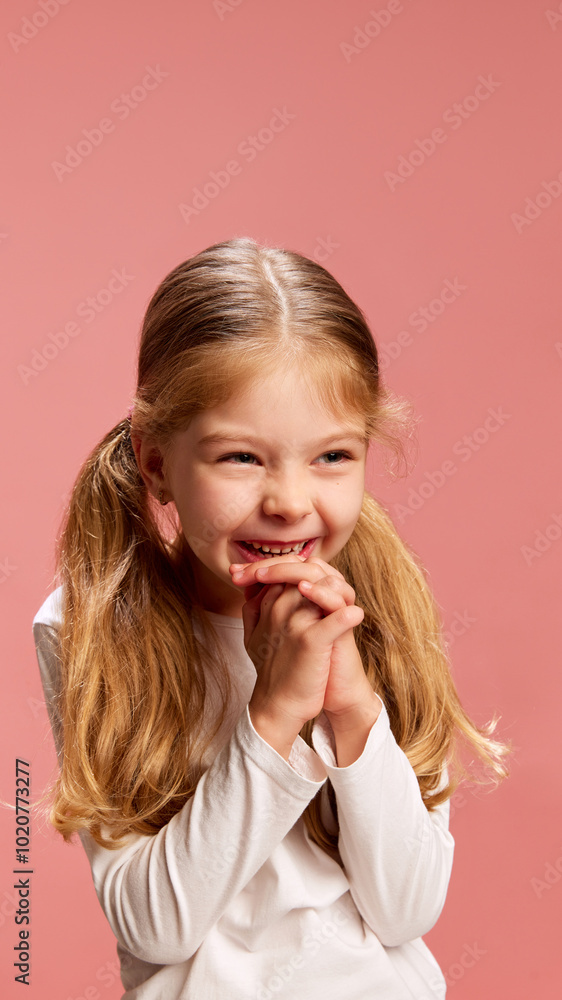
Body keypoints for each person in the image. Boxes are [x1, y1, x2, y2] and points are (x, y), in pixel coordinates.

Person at [32, 236, 509, 999]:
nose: (290, 502)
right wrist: (276, 714)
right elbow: (154, 928)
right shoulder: (94, 632)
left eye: (332, 457)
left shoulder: (382, 605)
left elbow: (407, 910)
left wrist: (351, 708)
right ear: (156, 462)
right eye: (242, 458)